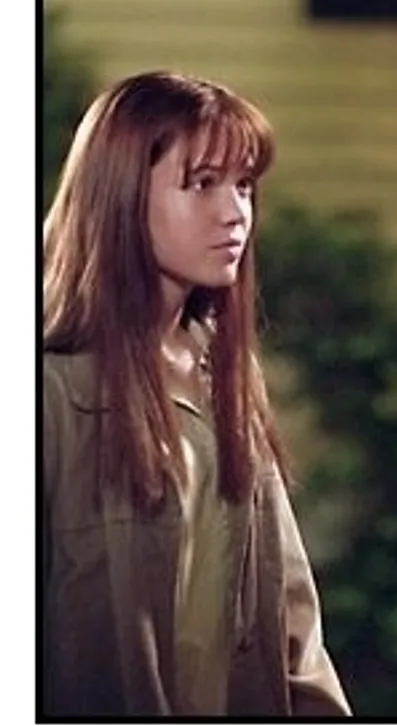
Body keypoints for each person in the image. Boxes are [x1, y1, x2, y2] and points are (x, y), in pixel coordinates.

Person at [41, 70, 352, 717]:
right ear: (122, 195)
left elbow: (291, 619)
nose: (235, 212)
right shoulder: (51, 392)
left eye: (244, 186)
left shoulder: (224, 374)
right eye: (203, 183)